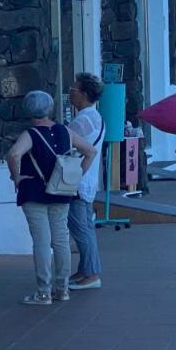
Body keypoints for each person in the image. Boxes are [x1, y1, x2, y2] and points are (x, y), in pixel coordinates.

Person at [6, 90, 96, 305]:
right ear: (50, 109)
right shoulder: (65, 131)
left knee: (42, 242)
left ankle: (44, 291)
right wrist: (77, 175)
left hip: (34, 192)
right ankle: (62, 289)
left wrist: (16, 177)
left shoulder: (31, 134)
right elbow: (90, 151)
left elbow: (13, 154)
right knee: (61, 240)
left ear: (29, 110)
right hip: (62, 190)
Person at [67, 74, 105, 291]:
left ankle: (91, 274)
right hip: (87, 181)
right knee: (85, 228)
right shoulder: (96, 117)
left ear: (83, 94)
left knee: (81, 229)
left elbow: (65, 146)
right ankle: (85, 270)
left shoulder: (82, 121)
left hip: (77, 182)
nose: (70, 92)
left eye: (73, 89)